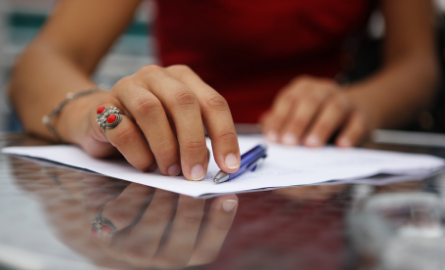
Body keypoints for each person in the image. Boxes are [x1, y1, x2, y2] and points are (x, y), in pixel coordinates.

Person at [8, 0, 439, 181]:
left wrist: (361, 103)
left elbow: (418, 63)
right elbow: (43, 59)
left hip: (319, 157)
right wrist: (89, 112)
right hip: (175, 150)